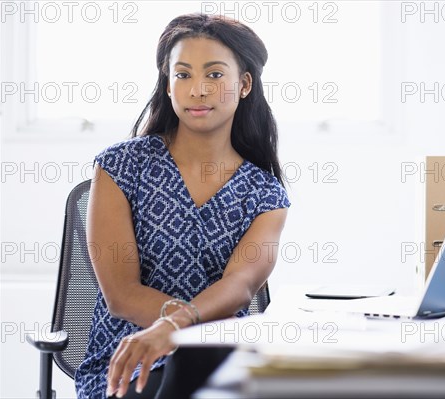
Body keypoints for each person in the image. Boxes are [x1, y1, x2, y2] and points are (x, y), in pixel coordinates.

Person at [74, 13, 290, 398]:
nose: (198, 90)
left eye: (215, 75)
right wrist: (169, 331)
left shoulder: (265, 192)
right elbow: (121, 294)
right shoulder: (120, 166)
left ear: (244, 85)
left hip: (215, 353)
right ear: (168, 84)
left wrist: (176, 328)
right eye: (183, 74)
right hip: (129, 356)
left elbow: (239, 287)